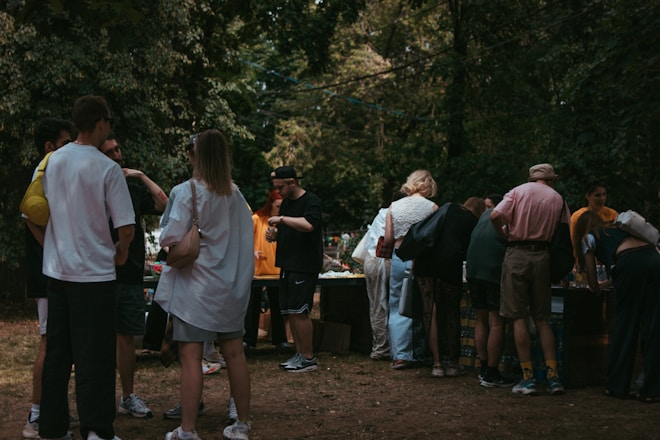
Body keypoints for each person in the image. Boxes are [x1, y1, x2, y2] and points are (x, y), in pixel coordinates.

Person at [40, 95, 135, 440]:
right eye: (108, 121)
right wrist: (121, 251)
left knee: (58, 356)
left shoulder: (54, 161)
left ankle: (52, 428)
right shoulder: (107, 168)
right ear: (100, 122)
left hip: (57, 272)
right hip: (93, 274)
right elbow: (126, 226)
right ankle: (96, 428)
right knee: (94, 356)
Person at [156, 129, 253, 440]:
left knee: (191, 358)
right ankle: (242, 424)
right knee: (235, 355)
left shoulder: (186, 192)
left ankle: (187, 429)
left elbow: (169, 238)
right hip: (231, 289)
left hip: (196, 289)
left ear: (193, 155)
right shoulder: (235, 194)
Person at [100, 133, 168, 419]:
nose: (117, 156)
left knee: (125, 336)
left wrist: (140, 175)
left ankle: (127, 397)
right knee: (96, 338)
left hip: (129, 274)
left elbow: (165, 204)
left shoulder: (131, 188)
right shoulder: (92, 187)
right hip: (98, 273)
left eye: (118, 149)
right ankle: (98, 399)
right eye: (110, 152)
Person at [490, 163, 569, 396]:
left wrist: (503, 233)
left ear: (530, 178)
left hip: (517, 253)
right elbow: (563, 230)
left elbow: (495, 215)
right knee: (542, 318)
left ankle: (528, 378)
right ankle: (554, 377)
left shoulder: (518, 191)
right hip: (543, 256)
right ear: (552, 180)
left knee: (518, 317)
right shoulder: (558, 198)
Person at [22, 117, 76, 439]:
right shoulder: (44, 171)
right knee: (48, 342)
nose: (71, 146)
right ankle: (37, 413)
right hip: (48, 272)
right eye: (66, 141)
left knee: (55, 342)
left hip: (51, 267)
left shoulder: (51, 169)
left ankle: (47, 411)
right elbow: (29, 215)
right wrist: (56, 248)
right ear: (49, 146)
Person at [572, 211, 660, 401]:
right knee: (653, 325)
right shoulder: (620, 229)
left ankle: (617, 385)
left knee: (626, 324)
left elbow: (592, 276)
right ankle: (653, 389)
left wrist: (595, 287)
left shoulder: (589, 237)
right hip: (654, 259)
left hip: (630, 262)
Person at [413, 198, 483, 377]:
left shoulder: (442, 211)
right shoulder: (470, 221)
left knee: (430, 312)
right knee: (452, 312)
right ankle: (452, 362)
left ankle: (436, 363)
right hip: (449, 265)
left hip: (424, 264)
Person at [266, 166, 323, 373]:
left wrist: (281, 220)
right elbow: (289, 230)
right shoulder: (287, 203)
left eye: (281, 186)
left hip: (304, 264)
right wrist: (275, 235)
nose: (278, 191)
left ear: (292, 182)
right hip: (287, 263)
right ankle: (299, 354)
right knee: (290, 311)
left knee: (301, 312)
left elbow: (309, 225)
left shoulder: (311, 201)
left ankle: (308, 357)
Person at [385, 170, 438, 370]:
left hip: (399, 255)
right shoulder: (432, 207)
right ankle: (423, 351)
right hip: (423, 258)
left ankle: (400, 354)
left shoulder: (394, 206)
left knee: (398, 303)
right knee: (425, 303)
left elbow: (389, 238)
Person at [466, 204, 514, 387]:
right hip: (493, 270)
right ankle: (492, 373)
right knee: (497, 322)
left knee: (481, 319)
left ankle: (484, 367)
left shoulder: (485, 214)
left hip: (473, 270)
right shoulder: (507, 216)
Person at [362, 193, 406, 361]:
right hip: (385, 260)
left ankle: (380, 347)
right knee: (393, 305)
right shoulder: (396, 214)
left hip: (371, 260)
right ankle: (388, 348)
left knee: (377, 305)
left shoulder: (381, 213)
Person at [244, 189, 288, 350]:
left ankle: (279, 339)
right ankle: (248, 339)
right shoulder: (257, 219)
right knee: (252, 304)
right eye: (277, 206)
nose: (279, 209)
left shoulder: (284, 221)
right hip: (257, 270)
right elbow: (245, 238)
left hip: (277, 269)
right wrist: (253, 251)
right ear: (271, 204)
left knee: (278, 304)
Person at [569, 181, 618, 250]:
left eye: (604, 194)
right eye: (597, 195)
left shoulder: (611, 214)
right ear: (588, 196)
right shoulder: (578, 216)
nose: (602, 198)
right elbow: (575, 241)